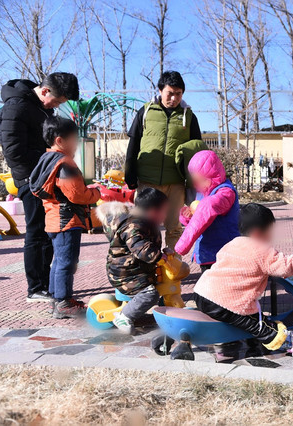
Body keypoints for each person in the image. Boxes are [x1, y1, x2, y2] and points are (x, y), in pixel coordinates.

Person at [193, 203, 293, 359]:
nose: (271, 237)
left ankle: (228, 344)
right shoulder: (261, 249)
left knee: (241, 319)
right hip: (225, 301)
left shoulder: (231, 244)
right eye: (270, 231)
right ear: (258, 233)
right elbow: (287, 266)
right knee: (258, 324)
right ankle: (290, 342)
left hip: (202, 293)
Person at [0, 72, 79, 302]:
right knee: (36, 233)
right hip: (30, 180)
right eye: (57, 101)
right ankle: (35, 288)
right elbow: (14, 152)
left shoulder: (41, 108)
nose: (57, 106)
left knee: (48, 232)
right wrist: (49, 160)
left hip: (46, 178)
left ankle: (48, 284)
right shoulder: (15, 108)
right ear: (44, 91)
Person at [28, 117, 101, 318]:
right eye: (74, 139)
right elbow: (77, 194)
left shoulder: (46, 159)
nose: (77, 143)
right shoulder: (64, 164)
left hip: (54, 219)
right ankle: (63, 301)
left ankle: (57, 298)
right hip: (67, 221)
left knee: (59, 261)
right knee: (67, 262)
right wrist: (96, 193)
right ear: (60, 141)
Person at [124, 71, 202, 249]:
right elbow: (133, 143)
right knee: (143, 225)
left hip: (175, 183)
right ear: (160, 90)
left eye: (178, 93)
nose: (174, 98)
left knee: (174, 227)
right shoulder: (145, 111)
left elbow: (197, 152)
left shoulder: (189, 117)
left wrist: (193, 183)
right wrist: (130, 173)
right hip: (147, 181)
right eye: (170, 93)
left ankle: (171, 268)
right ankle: (146, 265)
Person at [95, 188, 171, 334]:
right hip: (126, 274)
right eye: (164, 211)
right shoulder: (134, 225)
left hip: (135, 269)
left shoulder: (144, 222)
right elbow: (139, 246)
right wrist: (156, 256)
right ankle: (124, 317)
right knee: (150, 294)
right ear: (153, 211)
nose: (165, 215)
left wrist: (161, 253)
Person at [174, 150, 239, 271]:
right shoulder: (202, 192)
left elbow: (206, 209)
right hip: (205, 253)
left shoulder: (225, 192)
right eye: (195, 180)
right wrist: (187, 215)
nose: (196, 184)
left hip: (222, 254)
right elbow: (197, 220)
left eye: (200, 180)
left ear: (213, 176)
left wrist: (182, 246)